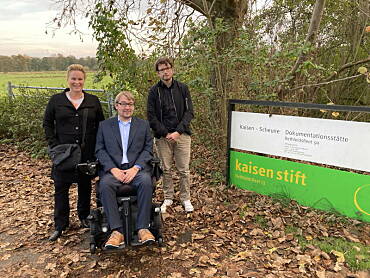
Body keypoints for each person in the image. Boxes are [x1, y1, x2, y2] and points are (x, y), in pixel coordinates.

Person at [43, 64, 105, 241]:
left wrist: (98, 149)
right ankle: (61, 224)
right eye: (73, 78)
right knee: (61, 188)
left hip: (86, 153)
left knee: (84, 187)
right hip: (64, 154)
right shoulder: (56, 100)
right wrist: (54, 145)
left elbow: (101, 125)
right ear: (67, 79)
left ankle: (84, 217)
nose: (77, 82)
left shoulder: (93, 101)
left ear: (84, 81)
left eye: (80, 79)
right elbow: (47, 124)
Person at [95, 91, 155, 248]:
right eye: (123, 104)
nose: (127, 107)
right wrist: (113, 169)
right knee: (105, 184)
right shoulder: (105, 126)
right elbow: (100, 150)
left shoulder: (143, 125)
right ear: (116, 106)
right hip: (113, 170)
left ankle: (143, 228)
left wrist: (136, 168)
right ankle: (117, 231)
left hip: (136, 169)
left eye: (130, 104)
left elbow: (148, 149)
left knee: (146, 181)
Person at [147, 57, 194, 213]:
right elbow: (151, 115)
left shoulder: (183, 88)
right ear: (158, 73)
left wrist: (178, 131)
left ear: (172, 69)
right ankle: (168, 197)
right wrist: (165, 133)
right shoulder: (154, 92)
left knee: (183, 170)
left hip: (182, 135)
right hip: (162, 137)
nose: (165, 72)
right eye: (161, 70)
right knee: (166, 169)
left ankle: (186, 198)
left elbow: (189, 112)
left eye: (167, 68)